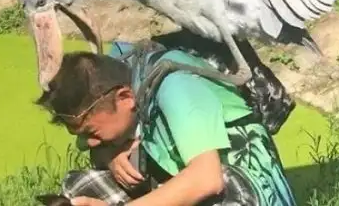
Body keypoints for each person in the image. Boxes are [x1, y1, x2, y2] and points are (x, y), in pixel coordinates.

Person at [36, 40, 297, 206]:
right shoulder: (121, 66)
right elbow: (99, 148)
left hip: (243, 190)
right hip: (178, 177)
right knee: (78, 189)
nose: (87, 144)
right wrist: (112, 156)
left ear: (125, 97)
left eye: (91, 132)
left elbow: (208, 179)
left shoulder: (177, 86)